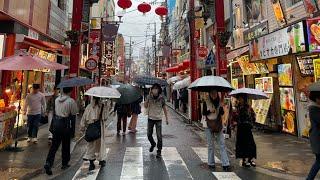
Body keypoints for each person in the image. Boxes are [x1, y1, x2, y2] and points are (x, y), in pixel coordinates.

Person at [44, 87, 78, 175]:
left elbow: (55, 111)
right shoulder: (71, 101)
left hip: (56, 124)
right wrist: (73, 131)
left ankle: (48, 162)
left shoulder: (57, 100)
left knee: (54, 146)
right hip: (65, 124)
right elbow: (73, 115)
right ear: (70, 91)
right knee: (66, 145)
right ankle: (64, 163)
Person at [80, 97, 114, 171]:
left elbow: (84, 118)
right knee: (100, 145)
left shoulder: (88, 107)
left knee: (91, 145)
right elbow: (105, 118)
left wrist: (82, 128)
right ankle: (101, 160)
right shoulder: (102, 106)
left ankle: (91, 163)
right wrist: (107, 106)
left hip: (90, 128)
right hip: (99, 129)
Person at [202, 90, 231, 171]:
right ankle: (211, 163)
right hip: (208, 125)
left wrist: (222, 107)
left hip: (218, 125)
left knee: (222, 144)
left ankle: (225, 163)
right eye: (212, 93)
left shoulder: (219, 102)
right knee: (211, 145)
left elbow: (221, 113)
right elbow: (203, 112)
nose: (213, 95)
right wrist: (209, 111)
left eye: (215, 93)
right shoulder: (206, 102)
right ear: (210, 94)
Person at [144, 83, 169, 158]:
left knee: (159, 136)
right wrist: (147, 99)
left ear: (158, 90)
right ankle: (153, 144)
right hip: (150, 118)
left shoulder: (162, 98)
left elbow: (164, 108)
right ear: (151, 90)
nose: (155, 90)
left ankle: (159, 150)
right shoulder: (149, 97)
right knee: (149, 134)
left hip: (158, 119)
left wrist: (167, 118)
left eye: (156, 89)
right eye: (153, 89)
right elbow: (145, 106)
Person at [232, 95, 257, 167]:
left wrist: (251, 121)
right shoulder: (236, 108)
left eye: (241, 98)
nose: (240, 99)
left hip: (247, 127)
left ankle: (250, 159)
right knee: (242, 144)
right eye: (239, 98)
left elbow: (253, 115)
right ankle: (244, 160)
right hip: (240, 127)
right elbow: (233, 117)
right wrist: (234, 123)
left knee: (251, 143)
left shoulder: (248, 107)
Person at [307, 91, 320, 180]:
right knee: (319, 161)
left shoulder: (316, 108)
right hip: (318, 139)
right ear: (316, 99)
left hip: (317, 138)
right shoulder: (313, 109)